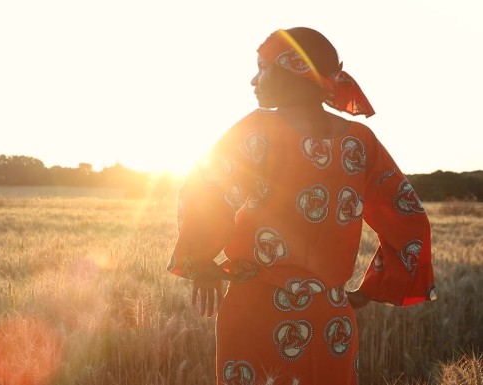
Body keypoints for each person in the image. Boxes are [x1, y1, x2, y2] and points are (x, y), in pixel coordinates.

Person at [166, 27, 436, 385]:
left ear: (294, 71)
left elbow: (205, 187)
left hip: (256, 314)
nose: (253, 80)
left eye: (262, 68)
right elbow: (407, 215)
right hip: (330, 320)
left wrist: (199, 260)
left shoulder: (257, 131)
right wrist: (376, 287)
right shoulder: (359, 141)